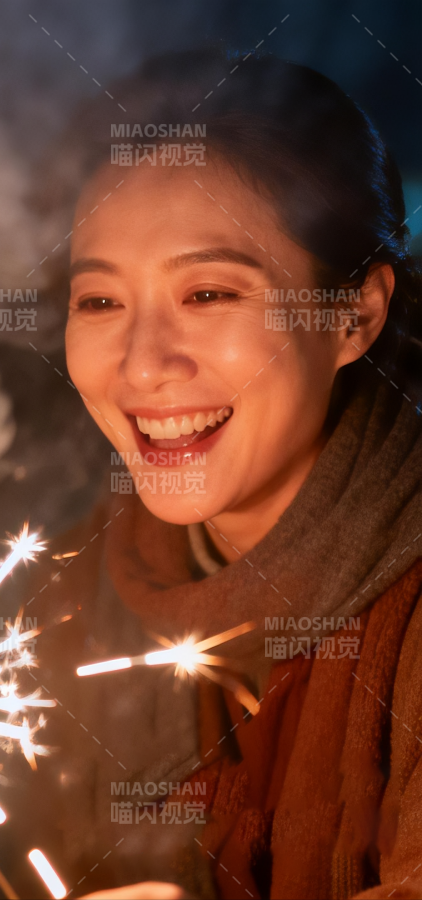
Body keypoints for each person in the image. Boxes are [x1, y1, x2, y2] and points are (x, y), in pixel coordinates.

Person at [25, 48, 422, 899]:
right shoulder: (66, 604)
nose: (142, 365)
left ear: (354, 316)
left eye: (208, 294)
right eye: (100, 302)